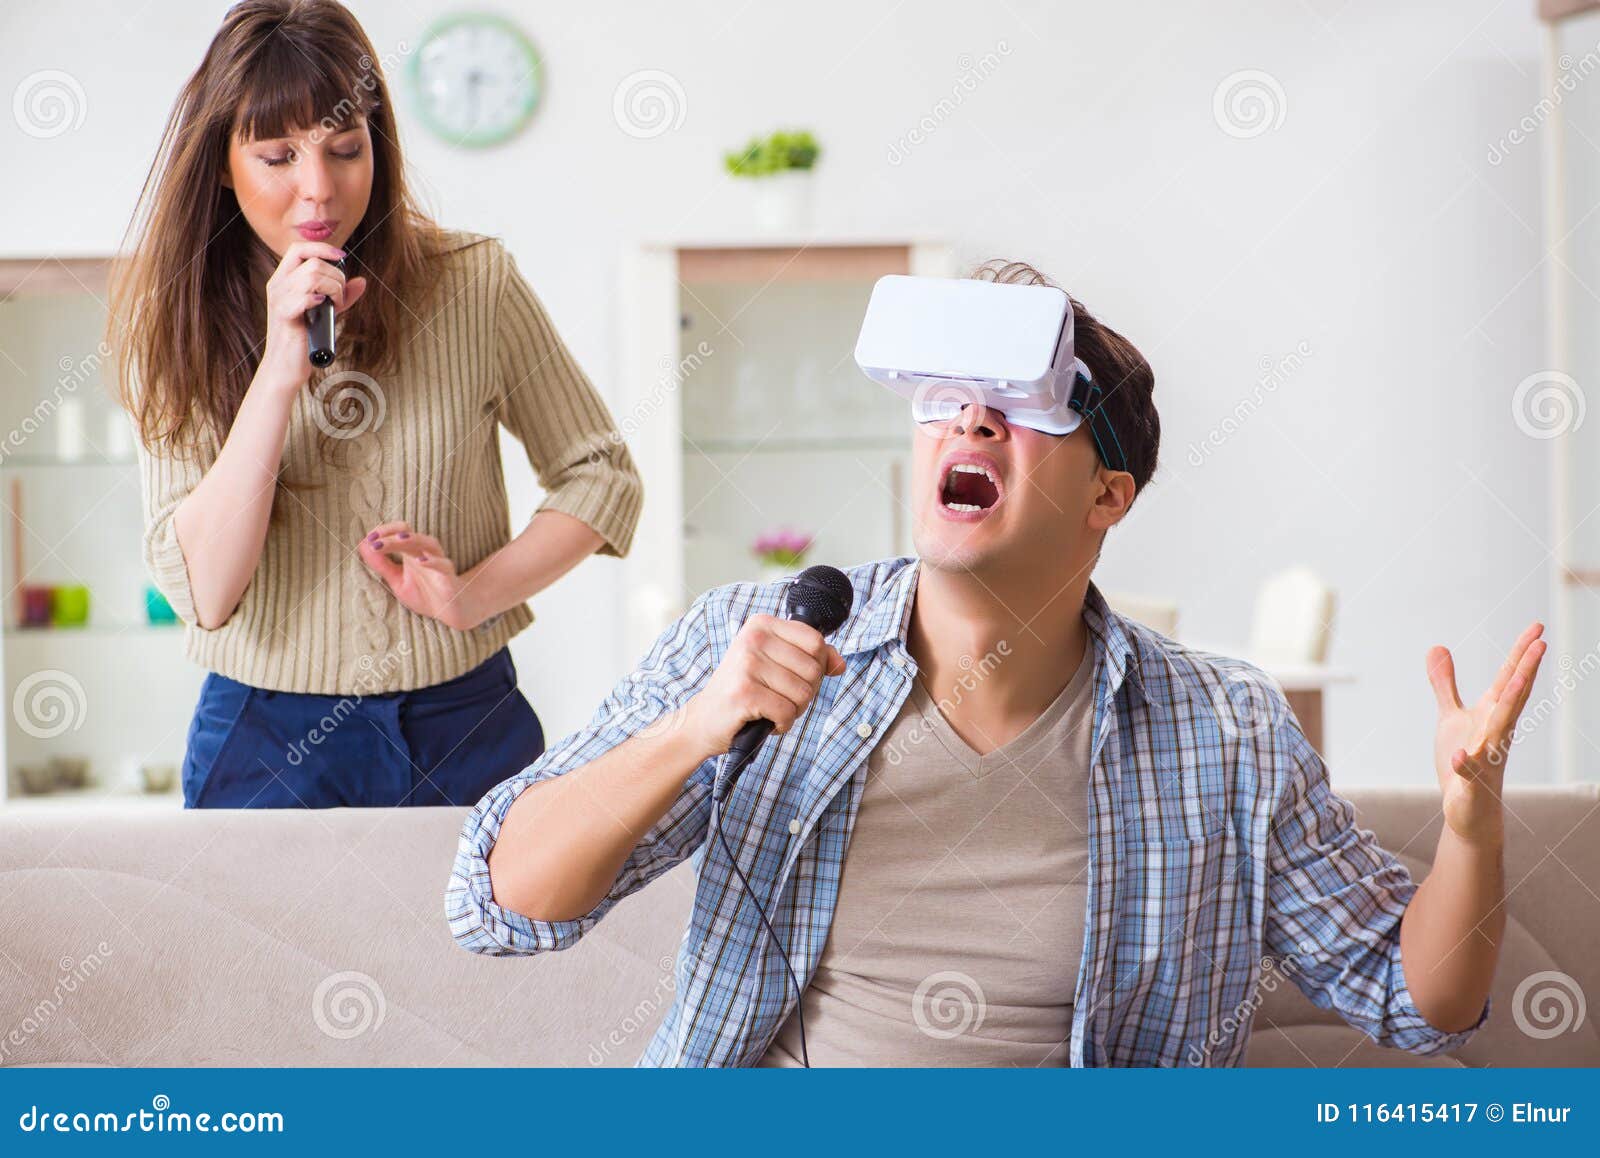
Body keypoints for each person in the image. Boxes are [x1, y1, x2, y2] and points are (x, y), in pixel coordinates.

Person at [446, 260, 1542, 1066]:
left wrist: (1471, 823)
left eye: (1024, 404)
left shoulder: (1227, 727)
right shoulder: (756, 639)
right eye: (944, 399)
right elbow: (498, 905)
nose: (970, 417)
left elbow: (1416, 1001)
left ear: (1109, 495)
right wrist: (696, 727)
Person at [110, 0, 642, 808]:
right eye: (278, 155)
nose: (318, 190)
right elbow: (207, 593)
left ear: (378, 146)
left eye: (345, 148)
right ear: (223, 165)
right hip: (264, 739)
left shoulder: (474, 282)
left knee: (490, 939)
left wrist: (471, 594)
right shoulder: (174, 318)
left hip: (464, 718)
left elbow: (602, 476)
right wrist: (280, 372)